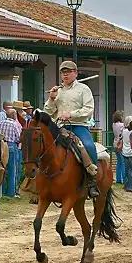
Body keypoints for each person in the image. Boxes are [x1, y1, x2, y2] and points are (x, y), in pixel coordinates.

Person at [44, 60, 100, 199]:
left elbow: (88, 109)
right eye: (63, 73)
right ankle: (40, 182)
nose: (65, 75)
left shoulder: (84, 89)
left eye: (68, 72)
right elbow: (48, 112)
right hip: (60, 127)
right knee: (44, 147)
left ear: (75, 73)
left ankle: (92, 180)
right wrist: (51, 99)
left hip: (79, 126)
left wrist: (71, 114)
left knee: (88, 146)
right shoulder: (58, 91)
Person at [0, 109, 22, 197]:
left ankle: (1, 191)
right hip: (11, 146)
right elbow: (19, 138)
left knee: (2, 169)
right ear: (14, 115)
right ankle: (11, 192)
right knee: (12, 170)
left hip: (1, 145)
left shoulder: (0, 123)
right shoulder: (14, 125)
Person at [121, 116, 132, 193]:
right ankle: (130, 186)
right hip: (131, 153)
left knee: (127, 170)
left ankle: (126, 185)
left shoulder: (124, 131)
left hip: (124, 151)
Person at [112, 110, 126, 184]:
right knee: (123, 161)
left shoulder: (114, 124)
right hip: (120, 144)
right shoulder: (121, 125)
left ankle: (118, 179)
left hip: (115, 143)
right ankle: (124, 178)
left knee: (119, 162)